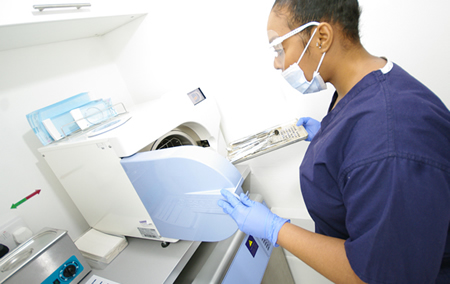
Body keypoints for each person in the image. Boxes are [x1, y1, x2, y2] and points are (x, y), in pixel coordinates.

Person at [218, 0, 450, 283]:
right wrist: (332, 136)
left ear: (321, 37)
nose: (277, 63)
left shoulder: (391, 143)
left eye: (279, 48)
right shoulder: (365, 83)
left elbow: (374, 275)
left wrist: (275, 229)